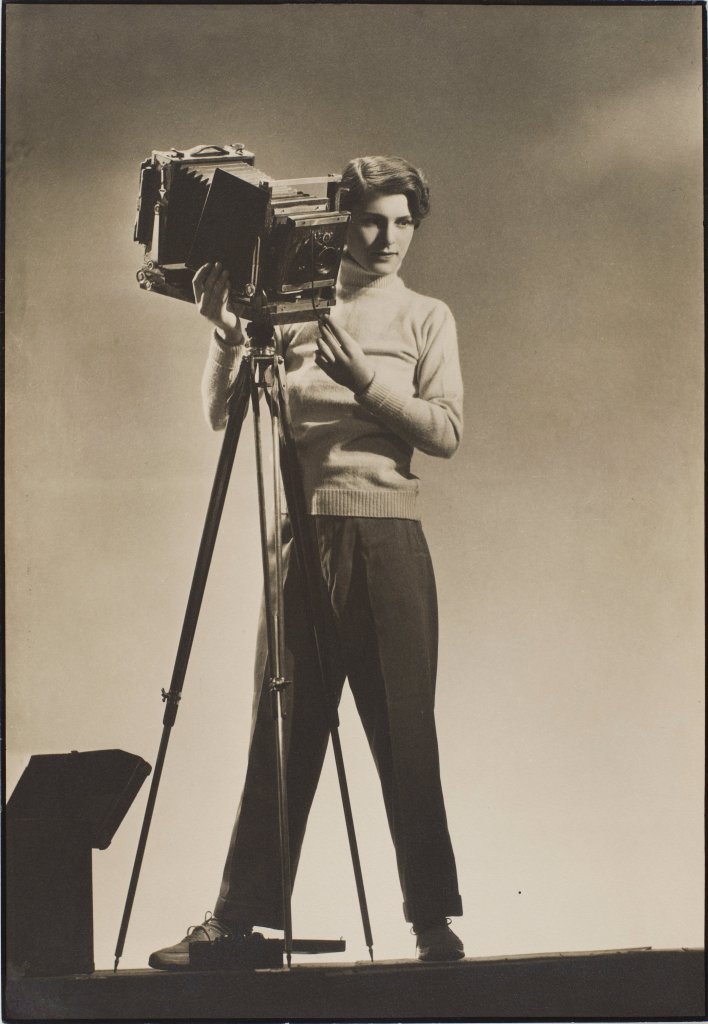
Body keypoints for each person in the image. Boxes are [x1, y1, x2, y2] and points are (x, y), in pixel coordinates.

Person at [149, 155, 465, 967]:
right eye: (371, 220)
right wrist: (227, 331)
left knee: (404, 734)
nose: (388, 237)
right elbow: (221, 413)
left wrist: (365, 383)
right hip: (301, 538)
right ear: (337, 221)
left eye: (403, 222)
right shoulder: (292, 313)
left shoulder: (427, 316)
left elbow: (446, 432)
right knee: (282, 734)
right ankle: (237, 923)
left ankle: (433, 924)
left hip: (390, 542)